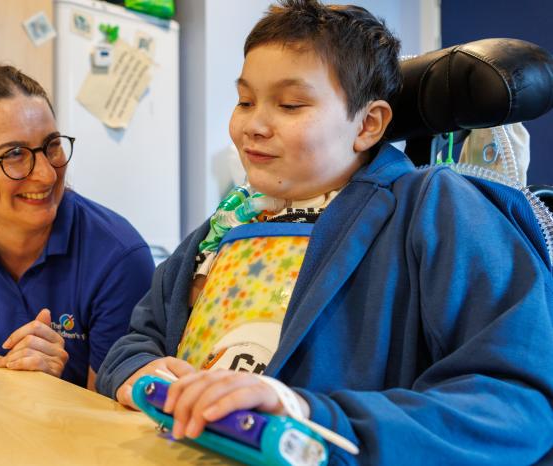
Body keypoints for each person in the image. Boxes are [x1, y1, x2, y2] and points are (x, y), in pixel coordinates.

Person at [96, 1, 553, 463]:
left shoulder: (439, 209)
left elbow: (515, 404)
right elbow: (135, 340)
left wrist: (307, 417)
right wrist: (143, 372)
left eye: (290, 104)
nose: (252, 126)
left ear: (368, 124)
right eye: (245, 101)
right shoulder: (225, 226)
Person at [0, 62, 155, 390]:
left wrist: (51, 392)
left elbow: (112, 422)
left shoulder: (118, 257)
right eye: (15, 154)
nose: (48, 175)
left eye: (52, 145)